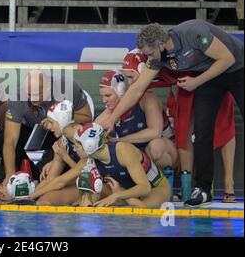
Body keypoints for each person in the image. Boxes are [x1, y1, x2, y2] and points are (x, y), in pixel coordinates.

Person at [98, 20, 244, 207]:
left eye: (150, 54)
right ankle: (204, 189)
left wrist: (196, 81)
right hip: (209, 76)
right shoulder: (158, 57)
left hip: (237, 69)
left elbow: (227, 59)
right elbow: (137, 89)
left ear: (161, 44)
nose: (149, 58)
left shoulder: (194, 33)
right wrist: (113, 118)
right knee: (201, 134)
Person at [31, 123, 171, 208]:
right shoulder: (90, 159)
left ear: (89, 145)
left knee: (140, 209)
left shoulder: (123, 151)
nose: (74, 149)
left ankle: (123, 199)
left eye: (78, 145)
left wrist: (117, 195)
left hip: (155, 187)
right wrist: (31, 197)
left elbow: (145, 187)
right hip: (124, 190)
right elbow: (60, 181)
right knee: (91, 196)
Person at [1, 70, 94, 188]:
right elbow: (10, 140)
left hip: (61, 134)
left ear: (48, 88)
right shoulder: (17, 97)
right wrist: (9, 175)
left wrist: (58, 119)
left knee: (72, 136)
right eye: (29, 95)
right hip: (34, 132)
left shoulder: (68, 87)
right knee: (2, 137)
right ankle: (26, 178)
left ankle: (48, 177)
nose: (33, 99)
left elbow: (87, 119)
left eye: (37, 94)